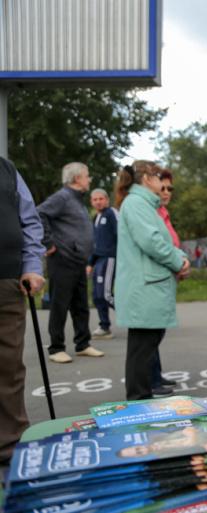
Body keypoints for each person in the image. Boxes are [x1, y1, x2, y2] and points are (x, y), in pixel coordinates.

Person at [114, 161, 190, 400]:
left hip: (148, 286)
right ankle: (138, 401)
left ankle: (141, 400)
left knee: (144, 348)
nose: (162, 182)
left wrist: (180, 257)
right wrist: (179, 262)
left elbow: (162, 241)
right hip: (145, 288)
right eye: (158, 176)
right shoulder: (137, 204)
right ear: (147, 178)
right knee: (141, 351)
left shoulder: (141, 204)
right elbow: (152, 242)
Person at [0, 157, 45, 465]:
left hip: (6, 279)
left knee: (9, 366)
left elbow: (29, 220)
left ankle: (10, 445)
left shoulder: (7, 170)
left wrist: (32, 266)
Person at [37, 162, 104, 363]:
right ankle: (56, 348)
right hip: (62, 260)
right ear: (76, 178)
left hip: (78, 261)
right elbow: (39, 213)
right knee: (60, 305)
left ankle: (83, 344)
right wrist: (48, 242)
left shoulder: (77, 200)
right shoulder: (63, 197)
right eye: (86, 175)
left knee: (81, 306)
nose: (89, 179)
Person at [150, 168, 182, 396]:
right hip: (155, 279)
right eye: (163, 187)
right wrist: (179, 262)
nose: (167, 192)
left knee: (156, 332)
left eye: (170, 188)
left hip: (167, 277)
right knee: (150, 333)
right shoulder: (151, 212)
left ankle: (155, 375)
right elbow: (157, 245)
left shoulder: (162, 211)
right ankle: (150, 380)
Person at [86, 188, 119, 340]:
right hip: (98, 261)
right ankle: (104, 327)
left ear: (107, 200)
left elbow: (121, 235)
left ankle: (135, 317)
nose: (98, 202)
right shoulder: (96, 218)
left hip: (110, 259)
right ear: (91, 202)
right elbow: (95, 244)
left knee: (106, 295)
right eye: (95, 199)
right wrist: (90, 263)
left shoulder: (112, 213)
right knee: (97, 295)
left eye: (101, 199)